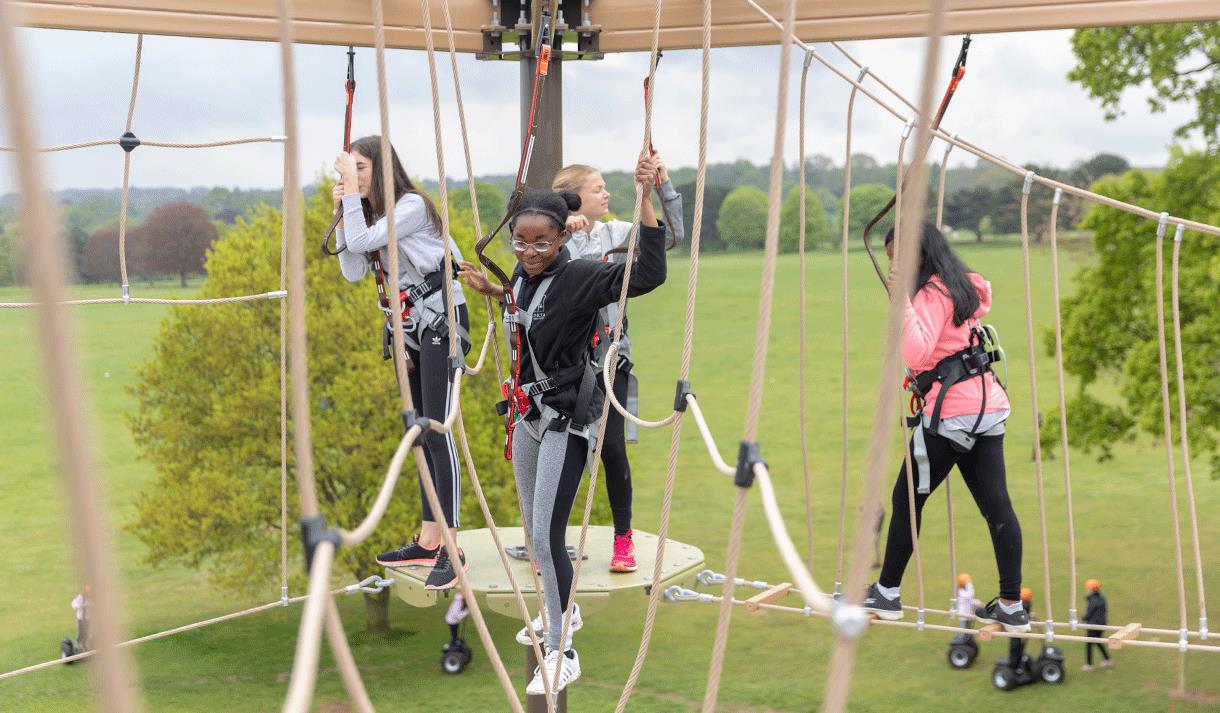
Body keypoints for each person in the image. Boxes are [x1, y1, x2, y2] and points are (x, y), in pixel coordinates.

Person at [459, 160, 668, 694]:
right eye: (520, 243)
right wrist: (493, 290)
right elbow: (529, 308)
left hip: (566, 421)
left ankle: (563, 649)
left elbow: (647, 275)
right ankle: (562, 614)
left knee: (550, 538)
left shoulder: (577, 276)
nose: (529, 254)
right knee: (534, 534)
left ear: (560, 239)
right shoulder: (526, 283)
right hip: (528, 418)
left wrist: (647, 197)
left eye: (542, 243)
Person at [862, 220, 1027, 633]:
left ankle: (888, 593)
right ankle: (1011, 604)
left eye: (897, 257)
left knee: (907, 500)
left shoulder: (933, 293)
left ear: (920, 255)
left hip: (953, 413)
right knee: (997, 505)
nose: (893, 265)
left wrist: (900, 299)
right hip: (986, 406)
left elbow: (917, 356)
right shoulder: (959, 286)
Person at [333, 135, 471, 591]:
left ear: (381, 170)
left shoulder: (410, 207)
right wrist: (345, 209)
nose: (355, 177)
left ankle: (452, 546)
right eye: (350, 170)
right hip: (410, 325)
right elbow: (353, 267)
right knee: (418, 431)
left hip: (440, 317)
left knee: (436, 427)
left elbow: (366, 239)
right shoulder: (370, 215)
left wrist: (352, 202)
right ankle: (429, 537)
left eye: (362, 169)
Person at [550, 155, 684, 573]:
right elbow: (528, 269)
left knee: (611, 449)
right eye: (597, 189)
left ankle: (622, 537)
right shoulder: (553, 240)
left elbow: (669, 236)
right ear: (573, 199)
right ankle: (550, 539)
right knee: (562, 451)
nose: (607, 194)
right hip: (566, 365)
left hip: (610, 360)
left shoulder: (616, 234)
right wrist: (559, 231)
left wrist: (659, 186)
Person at [1082, 578, 1112, 671]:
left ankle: (1089, 665)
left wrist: (1082, 618)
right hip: (1102, 624)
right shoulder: (1102, 598)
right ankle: (1108, 660)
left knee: (1089, 644)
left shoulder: (1092, 601)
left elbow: (1088, 615)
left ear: (1092, 589)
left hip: (1093, 625)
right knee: (1098, 642)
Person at [70, 584, 91, 650]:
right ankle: (78, 645)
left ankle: (85, 644)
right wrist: (78, 606)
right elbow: (73, 604)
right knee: (80, 632)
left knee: (86, 631)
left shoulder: (91, 597)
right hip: (81, 618)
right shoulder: (80, 597)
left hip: (87, 618)